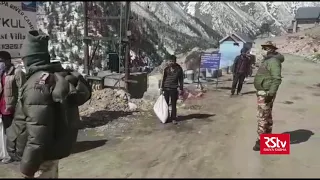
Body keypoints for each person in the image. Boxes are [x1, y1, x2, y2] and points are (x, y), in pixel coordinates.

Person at [6, 30, 92, 178]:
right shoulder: (55, 77)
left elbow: (38, 133)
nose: (22, 62)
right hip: (51, 152)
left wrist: (27, 168)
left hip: (40, 159)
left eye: (24, 58)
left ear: (30, 59)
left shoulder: (36, 85)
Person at [252, 41, 284, 151]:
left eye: (265, 48)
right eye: (263, 47)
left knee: (262, 116)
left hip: (266, 93)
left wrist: (270, 94)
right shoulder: (268, 60)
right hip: (264, 92)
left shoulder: (273, 61)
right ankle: (267, 139)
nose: (264, 50)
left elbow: (277, 79)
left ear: (271, 49)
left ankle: (260, 141)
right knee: (267, 116)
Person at [0, 51, 26, 163]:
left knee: (14, 132)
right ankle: (7, 153)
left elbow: (22, 89)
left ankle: (14, 154)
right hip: (2, 107)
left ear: (7, 60)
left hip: (11, 108)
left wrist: (18, 106)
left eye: (1, 61)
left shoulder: (17, 72)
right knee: (5, 132)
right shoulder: (2, 73)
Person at [160, 55, 184, 124]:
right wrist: (162, 88)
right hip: (166, 88)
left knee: (173, 104)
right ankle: (166, 117)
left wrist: (181, 88)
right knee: (166, 104)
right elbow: (163, 79)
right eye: (169, 61)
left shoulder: (179, 69)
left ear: (175, 61)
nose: (170, 62)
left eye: (172, 61)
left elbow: (181, 79)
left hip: (174, 88)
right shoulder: (166, 69)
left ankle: (173, 118)